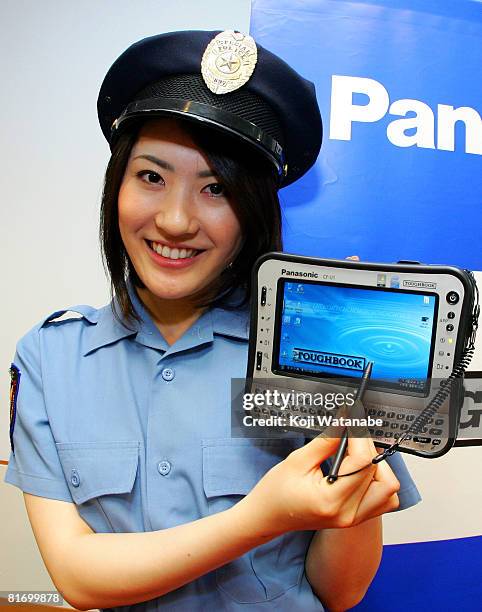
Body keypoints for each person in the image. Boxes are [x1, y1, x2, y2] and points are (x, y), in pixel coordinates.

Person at [4, 30, 421, 612]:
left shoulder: (309, 345)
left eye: (216, 188)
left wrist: (356, 458)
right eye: (152, 177)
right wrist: (259, 518)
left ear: (252, 213)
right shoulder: (51, 358)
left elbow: (340, 591)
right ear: (115, 187)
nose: (174, 221)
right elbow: (77, 576)